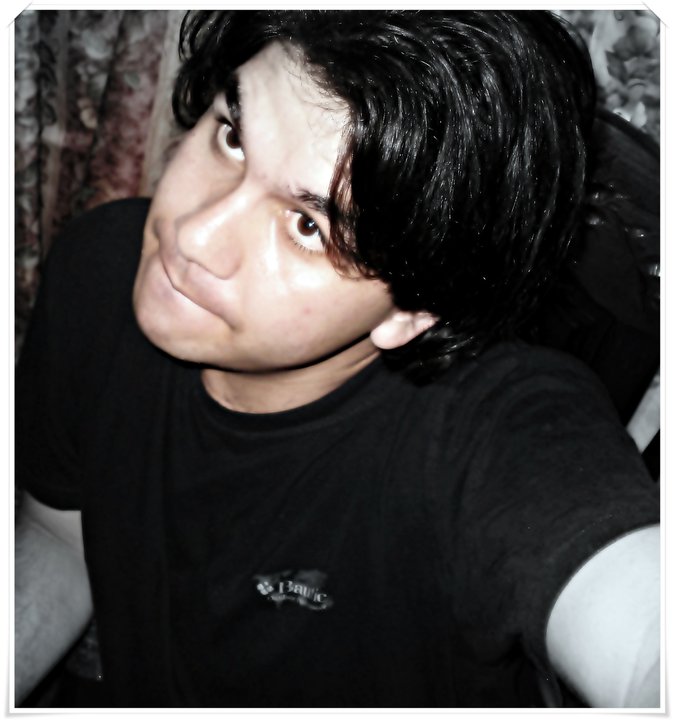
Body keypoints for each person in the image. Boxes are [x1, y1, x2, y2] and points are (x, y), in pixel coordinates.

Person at [15, 10, 660, 709]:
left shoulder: (496, 431)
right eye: (231, 137)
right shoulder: (100, 271)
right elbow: (60, 532)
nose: (192, 235)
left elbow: (644, 640)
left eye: (306, 226)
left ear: (416, 308)